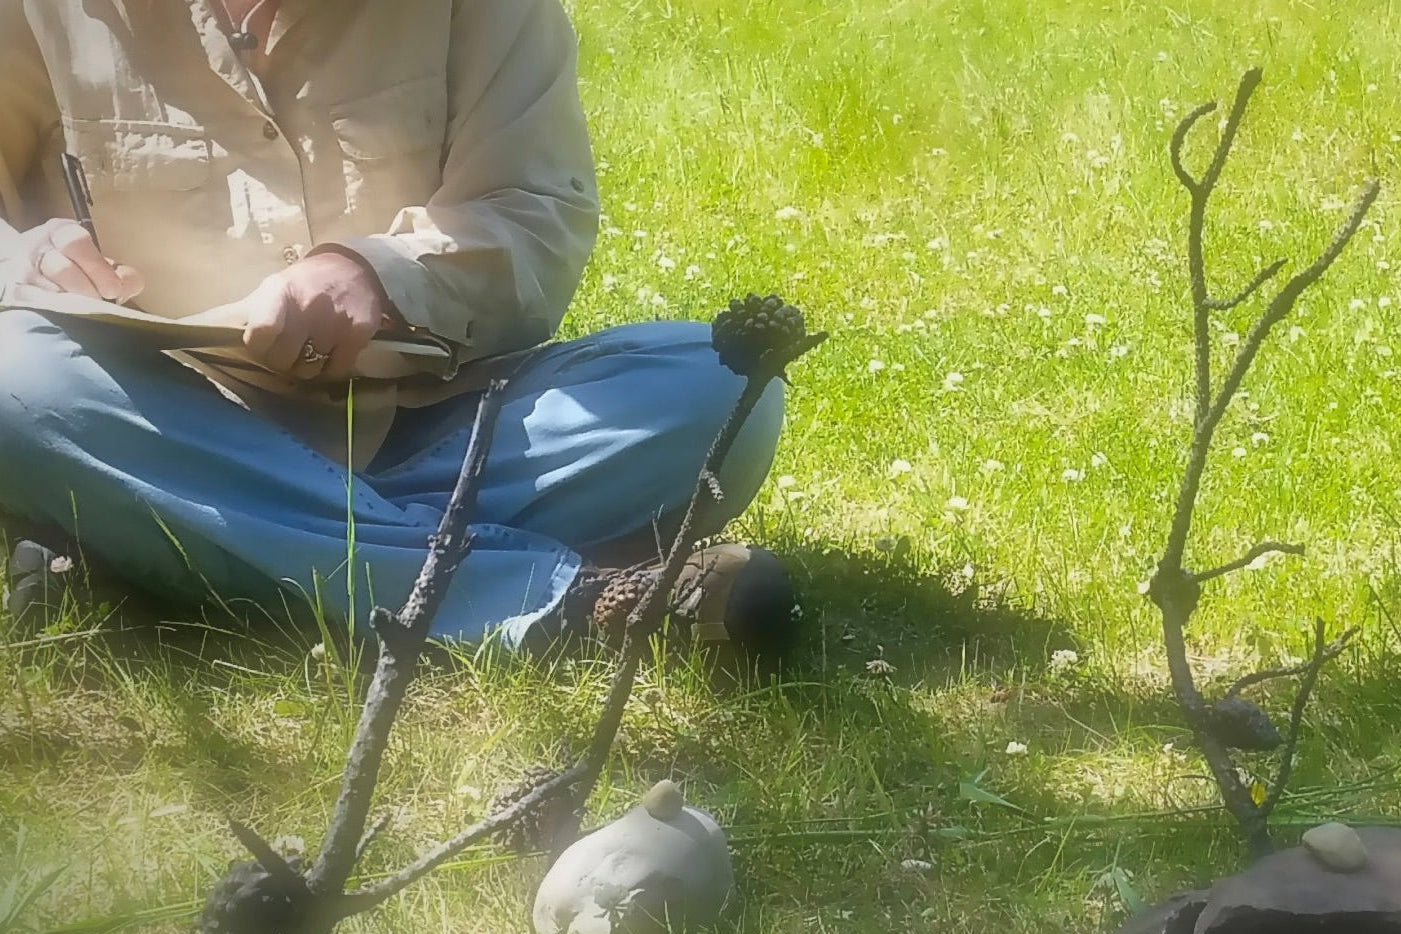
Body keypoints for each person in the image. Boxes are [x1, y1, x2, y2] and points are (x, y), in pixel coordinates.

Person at [0, 0, 794, 653]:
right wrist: (24, 254)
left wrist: (377, 271)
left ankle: (154, 543)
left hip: (432, 422)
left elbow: (536, 210)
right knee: (12, 375)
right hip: (150, 414)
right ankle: (570, 599)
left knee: (726, 386)